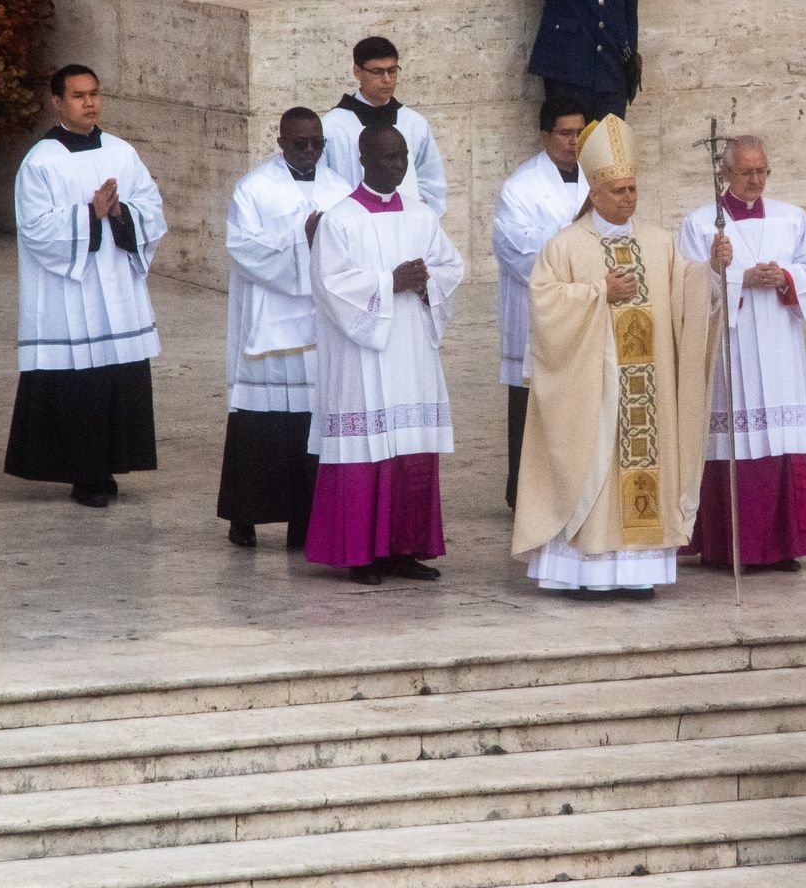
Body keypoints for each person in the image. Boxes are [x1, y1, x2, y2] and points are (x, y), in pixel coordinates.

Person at [512, 113, 728, 597]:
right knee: (596, 471)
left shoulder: (659, 243)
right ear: (594, 194)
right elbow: (544, 306)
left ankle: (637, 573)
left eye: (632, 189)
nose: (628, 198)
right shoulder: (565, 246)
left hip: (647, 395)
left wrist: (712, 272)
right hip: (594, 392)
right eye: (618, 190)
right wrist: (598, 293)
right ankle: (584, 573)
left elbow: (687, 297)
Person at [303, 125, 464, 585]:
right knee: (366, 450)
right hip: (362, 357)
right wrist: (389, 283)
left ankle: (404, 550)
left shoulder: (421, 214)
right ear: (364, 160)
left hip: (412, 351)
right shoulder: (340, 220)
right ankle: (361, 555)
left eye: (402, 156)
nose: (397, 166)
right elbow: (330, 286)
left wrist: (427, 282)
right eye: (388, 157)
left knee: (411, 449)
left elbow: (451, 266)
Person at [4, 65, 166, 508]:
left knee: (117, 378)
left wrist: (121, 213)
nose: (89, 102)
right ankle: (84, 474)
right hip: (69, 293)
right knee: (80, 385)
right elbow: (35, 228)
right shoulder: (41, 161)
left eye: (94, 93)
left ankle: (109, 465)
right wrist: (88, 214)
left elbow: (152, 206)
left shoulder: (121, 151)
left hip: (117, 285)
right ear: (57, 102)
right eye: (78, 96)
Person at [677, 135, 806, 572]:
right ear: (726, 173)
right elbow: (685, 286)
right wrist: (727, 274)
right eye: (747, 172)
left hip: (781, 348)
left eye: (762, 170)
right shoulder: (702, 225)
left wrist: (785, 277)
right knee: (733, 438)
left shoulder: (791, 218)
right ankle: (728, 546)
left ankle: (782, 546)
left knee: (780, 441)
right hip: (733, 349)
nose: (757, 179)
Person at [217, 107, 354, 548]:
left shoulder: (340, 189)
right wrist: (302, 242)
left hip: (320, 324)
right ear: (280, 142)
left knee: (311, 424)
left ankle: (304, 519)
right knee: (262, 426)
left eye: (317, 143)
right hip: (270, 324)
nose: (310, 150)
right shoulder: (254, 188)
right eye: (300, 143)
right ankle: (245, 517)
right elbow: (242, 248)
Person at [491, 99, 589, 509]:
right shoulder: (521, 187)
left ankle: (579, 490)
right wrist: (576, 243)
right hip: (540, 314)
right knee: (532, 404)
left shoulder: (597, 179)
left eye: (580, 133)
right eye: (566, 133)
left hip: (589, 307)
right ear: (545, 135)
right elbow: (516, 251)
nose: (574, 141)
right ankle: (527, 495)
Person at [319, 36, 448, 215]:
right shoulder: (331, 127)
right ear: (357, 71)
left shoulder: (414, 123)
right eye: (377, 71)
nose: (387, 79)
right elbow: (322, 182)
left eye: (392, 71)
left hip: (405, 221)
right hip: (353, 223)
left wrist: (419, 214)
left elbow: (432, 180)